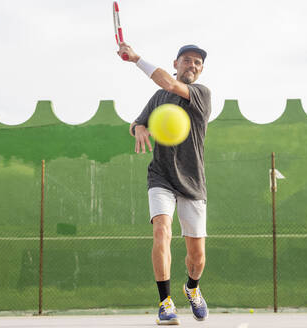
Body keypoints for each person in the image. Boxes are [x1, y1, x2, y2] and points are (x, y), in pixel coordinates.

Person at [117, 42, 211, 325]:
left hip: (192, 182)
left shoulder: (201, 94)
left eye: (197, 62)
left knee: (197, 256)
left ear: (201, 69)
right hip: (160, 176)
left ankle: (191, 288)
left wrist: (136, 59)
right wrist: (140, 127)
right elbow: (134, 124)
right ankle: (165, 302)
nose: (191, 66)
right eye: (186, 61)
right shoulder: (159, 97)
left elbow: (170, 84)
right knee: (162, 230)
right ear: (176, 63)